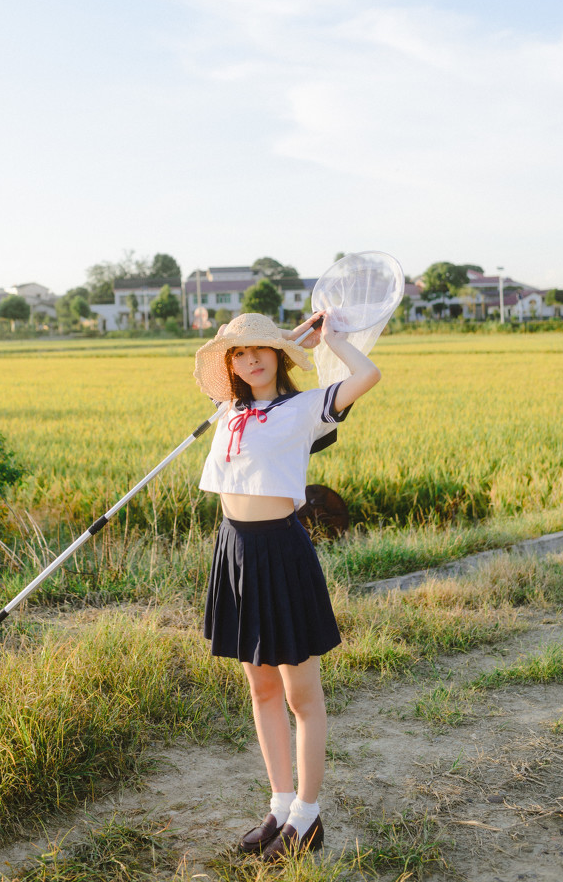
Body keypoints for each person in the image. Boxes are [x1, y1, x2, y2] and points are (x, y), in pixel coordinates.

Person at [193, 310, 381, 861]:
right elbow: (242, 384)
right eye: (239, 353)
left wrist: (330, 341)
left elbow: (367, 378)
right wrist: (278, 340)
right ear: (230, 365)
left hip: (281, 551)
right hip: (234, 551)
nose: (250, 359)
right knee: (261, 689)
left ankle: (308, 814)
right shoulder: (229, 411)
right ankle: (278, 807)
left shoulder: (303, 410)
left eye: (261, 350)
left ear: (279, 357)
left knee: (301, 694)